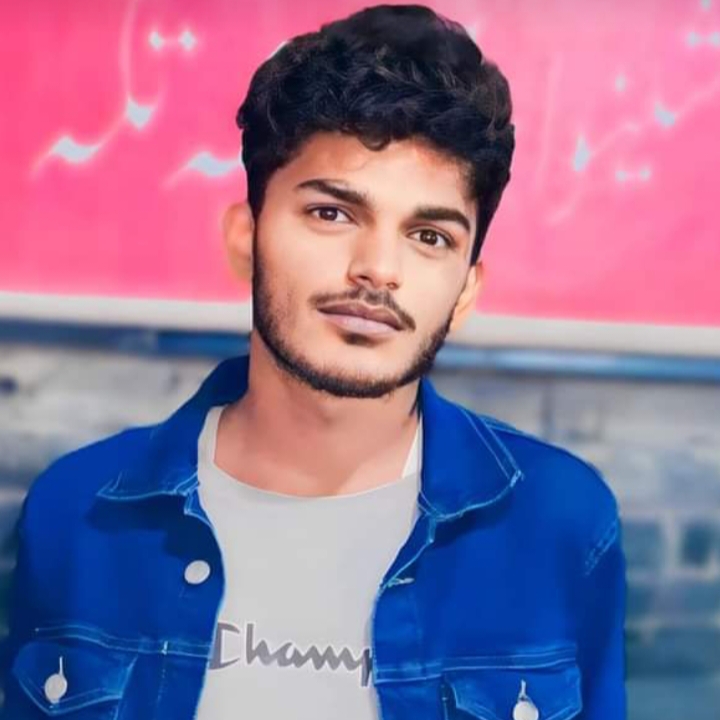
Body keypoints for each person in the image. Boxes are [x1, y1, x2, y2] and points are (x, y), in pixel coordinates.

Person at [1, 4, 626, 719]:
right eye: (332, 213)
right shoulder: (76, 513)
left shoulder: (561, 523)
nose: (378, 268)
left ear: (465, 292)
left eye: (429, 236)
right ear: (246, 238)